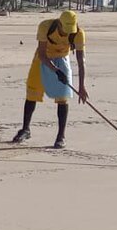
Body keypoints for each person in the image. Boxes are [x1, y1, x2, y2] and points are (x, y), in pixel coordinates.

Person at [10, 9, 88, 149]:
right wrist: (56, 71)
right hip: (42, 59)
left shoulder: (78, 34)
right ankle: (25, 129)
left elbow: (81, 62)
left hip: (62, 59)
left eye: (70, 30)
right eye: (65, 29)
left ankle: (61, 136)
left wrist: (82, 86)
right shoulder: (45, 26)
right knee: (32, 93)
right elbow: (42, 54)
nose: (67, 33)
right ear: (59, 23)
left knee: (62, 97)